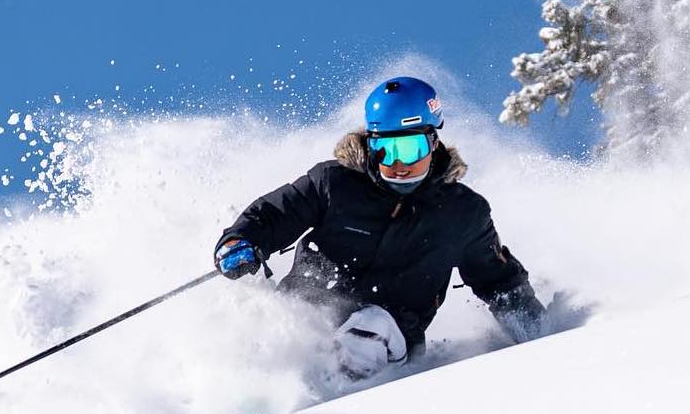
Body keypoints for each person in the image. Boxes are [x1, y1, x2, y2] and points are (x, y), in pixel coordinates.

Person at [214, 77, 545, 378]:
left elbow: (501, 284)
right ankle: (249, 403)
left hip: (391, 335)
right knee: (263, 319)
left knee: (367, 330)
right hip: (308, 311)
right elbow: (275, 212)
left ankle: (331, 409)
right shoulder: (333, 184)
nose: (398, 164)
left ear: (433, 142)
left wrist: (544, 339)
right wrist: (238, 241)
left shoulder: (462, 213)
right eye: (385, 150)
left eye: (410, 148)